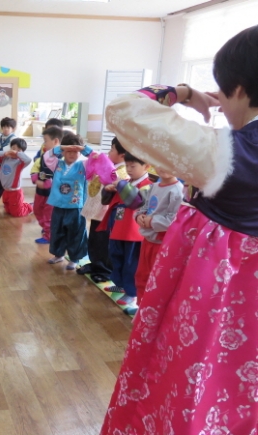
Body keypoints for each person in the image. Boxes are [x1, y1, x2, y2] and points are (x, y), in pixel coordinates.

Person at [101, 25, 258, 435]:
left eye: (223, 92)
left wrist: (183, 93)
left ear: (239, 89)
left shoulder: (229, 154)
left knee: (194, 381)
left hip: (220, 292)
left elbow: (124, 110)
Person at [98, 152, 152, 310]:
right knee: (116, 257)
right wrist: (108, 190)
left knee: (131, 262)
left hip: (133, 233)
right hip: (118, 228)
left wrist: (121, 185)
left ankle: (131, 292)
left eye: (132, 166)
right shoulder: (127, 183)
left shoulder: (148, 185)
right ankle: (120, 284)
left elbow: (136, 202)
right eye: (127, 165)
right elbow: (107, 201)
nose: (128, 169)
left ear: (146, 166)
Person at [77, 137, 127, 283]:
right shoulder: (112, 165)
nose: (109, 152)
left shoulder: (123, 171)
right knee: (94, 238)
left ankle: (105, 270)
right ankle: (95, 263)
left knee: (104, 242)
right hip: (98, 210)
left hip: (107, 212)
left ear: (122, 155)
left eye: (112, 149)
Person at [133, 167, 183, 302]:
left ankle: (150, 308)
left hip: (162, 244)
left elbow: (175, 220)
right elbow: (144, 207)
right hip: (147, 240)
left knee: (156, 279)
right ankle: (140, 306)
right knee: (142, 275)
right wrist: (139, 216)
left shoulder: (177, 191)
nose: (164, 167)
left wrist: (152, 221)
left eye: (169, 164)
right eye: (161, 163)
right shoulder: (154, 186)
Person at [46, 132, 94, 269]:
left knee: (76, 233)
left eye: (75, 151)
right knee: (57, 231)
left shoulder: (84, 165)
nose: (72, 154)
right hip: (59, 205)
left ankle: (75, 258)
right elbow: (47, 156)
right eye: (68, 151)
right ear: (63, 151)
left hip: (76, 206)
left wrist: (84, 149)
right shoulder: (57, 164)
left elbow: (97, 159)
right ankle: (58, 254)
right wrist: (61, 147)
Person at [31, 126, 64, 244]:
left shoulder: (63, 158)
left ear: (55, 141)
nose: (44, 144)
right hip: (40, 192)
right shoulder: (44, 156)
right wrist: (36, 179)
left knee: (48, 215)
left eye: (46, 141)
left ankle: (49, 235)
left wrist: (50, 183)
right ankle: (46, 228)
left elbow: (64, 176)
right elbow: (35, 167)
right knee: (37, 210)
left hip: (53, 194)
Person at [0, 138, 33, 217]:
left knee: (17, 213)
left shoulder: (20, 162)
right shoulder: (5, 158)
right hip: (6, 191)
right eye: (13, 148)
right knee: (8, 210)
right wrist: (5, 153)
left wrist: (17, 153)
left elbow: (28, 160)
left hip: (15, 192)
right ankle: (21, 205)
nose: (14, 151)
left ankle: (31, 206)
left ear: (22, 152)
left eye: (18, 150)